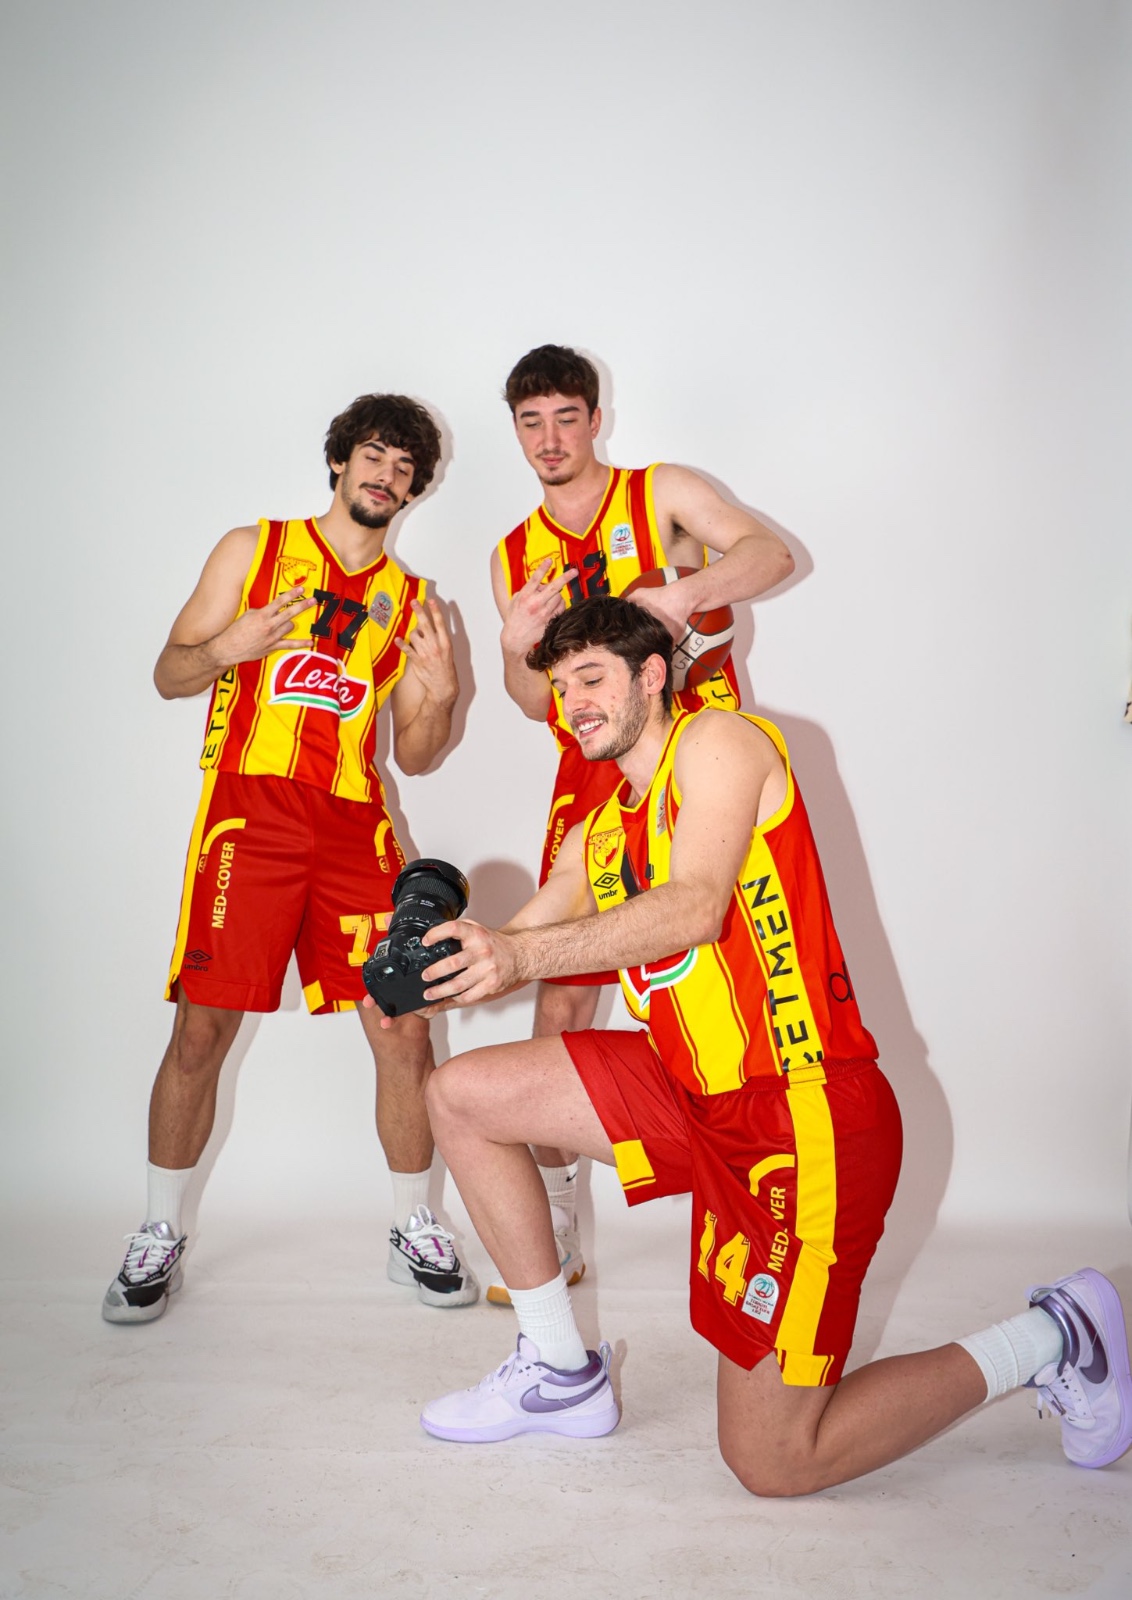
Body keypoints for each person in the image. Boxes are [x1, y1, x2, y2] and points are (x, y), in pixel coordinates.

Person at [388, 595, 1131, 1489]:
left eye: (591, 678)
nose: (573, 702)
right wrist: (429, 971)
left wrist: (516, 955)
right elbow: (516, 941)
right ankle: (557, 1369)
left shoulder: (720, 742)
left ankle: (1057, 1335)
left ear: (651, 675)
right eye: (561, 686)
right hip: (689, 1090)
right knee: (462, 1094)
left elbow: (696, 906)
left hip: (803, 1112)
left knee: (775, 1460)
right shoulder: (602, 828)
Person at [102, 393, 478, 1324]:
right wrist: (228, 646)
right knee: (202, 1030)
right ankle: (158, 1231)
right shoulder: (254, 549)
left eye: (405, 469)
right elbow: (168, 672)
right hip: (250, 817)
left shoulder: (411, 603)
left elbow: (417, 753)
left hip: (356, 826)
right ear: (341, 461)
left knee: (402, 1023)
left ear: (414, 492)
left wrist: (438, 695)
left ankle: (413, 1225)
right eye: (374, 456)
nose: (386, 476)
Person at [488, 344, 794, 1301]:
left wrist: (686, 593)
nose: (550, 438)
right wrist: (511, 650)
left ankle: (776, 1163)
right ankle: (561, 1227)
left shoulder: (660, 491)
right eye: (531, 422)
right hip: (593, 778)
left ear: (596, 418)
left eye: (565, 417)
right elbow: (535, 703)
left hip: (698, 755)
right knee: (564, 993)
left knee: (732, 954)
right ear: (516, 432)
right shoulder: (513, 553)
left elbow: (771, 554)